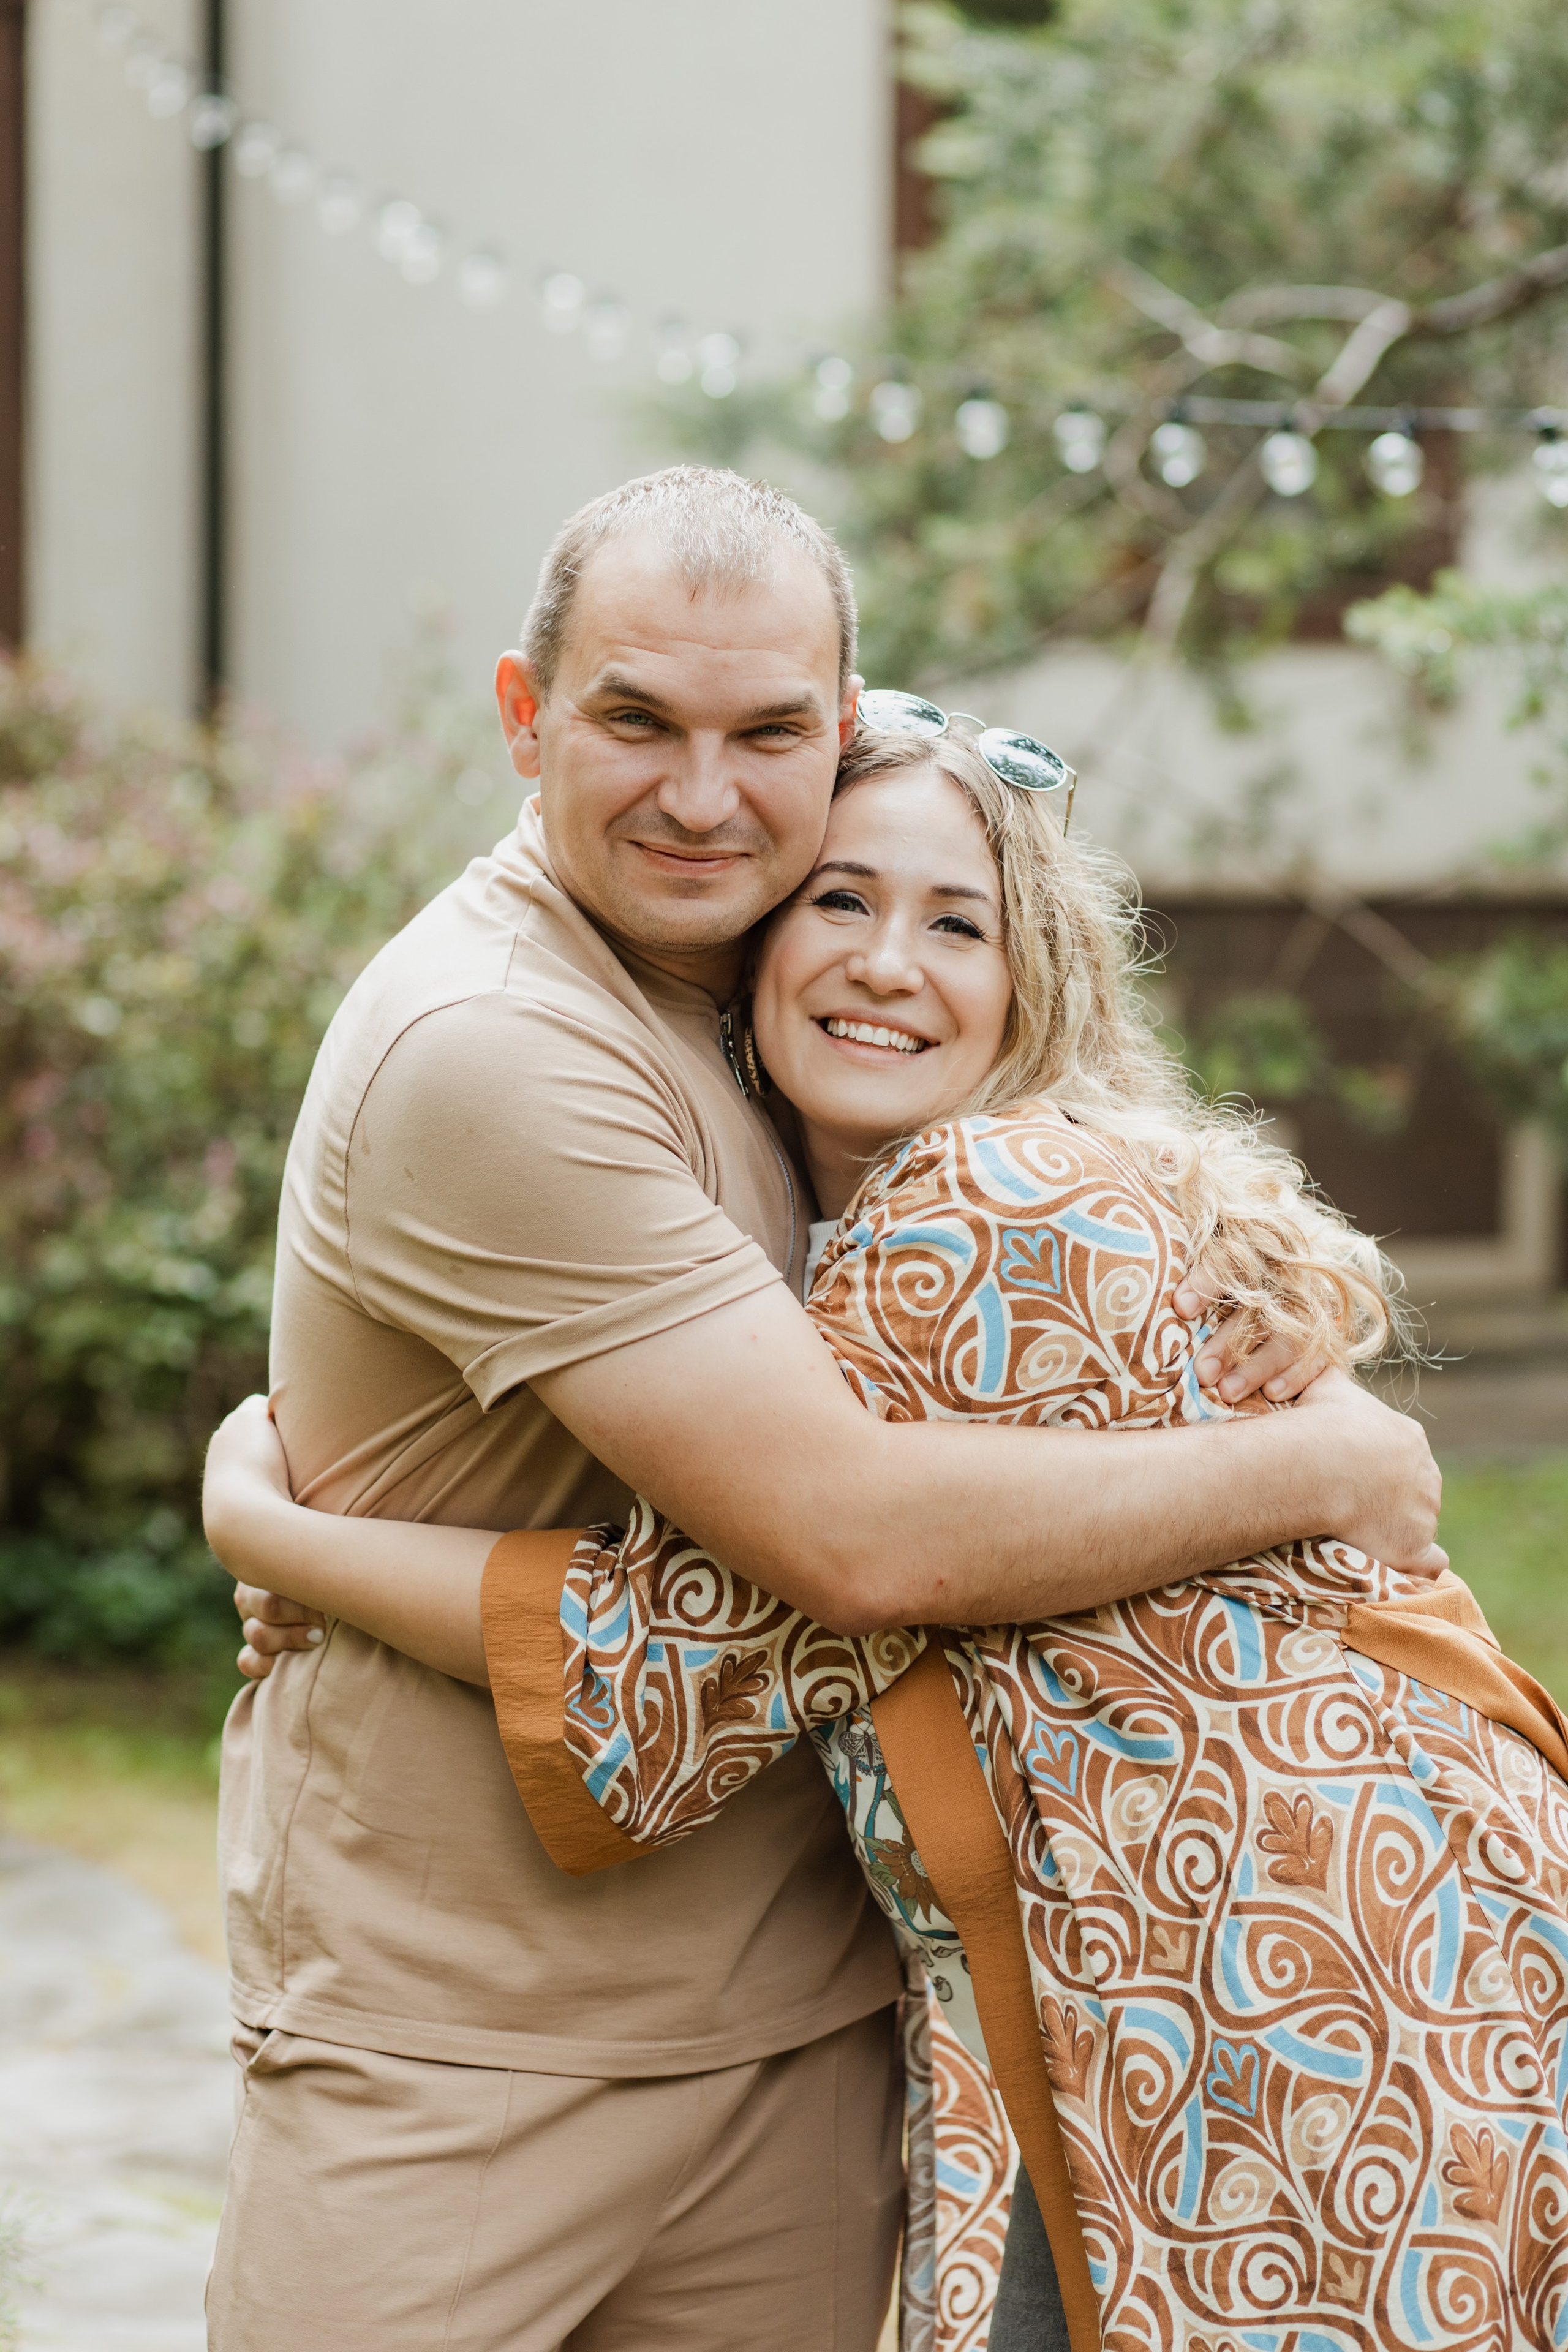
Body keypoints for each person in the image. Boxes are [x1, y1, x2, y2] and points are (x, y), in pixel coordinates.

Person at [203, 466, 1445, 2352]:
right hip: (476, 2054)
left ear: (834, 728)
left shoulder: (949, 1178)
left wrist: (272, 1527)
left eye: (769, 733)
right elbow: (828, 1542)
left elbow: (814, 1564)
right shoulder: (511, 1042)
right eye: (638, 720)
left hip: (1208, 2014)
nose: (708, 797)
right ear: (526, 718)